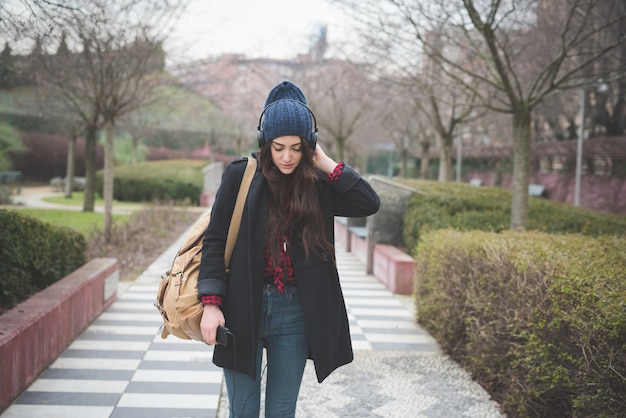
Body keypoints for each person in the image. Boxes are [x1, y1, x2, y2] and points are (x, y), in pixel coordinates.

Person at [197, 80, 380, 418]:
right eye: (278, 147)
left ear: (308, 146)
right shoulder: (240, 176)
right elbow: (215, 241)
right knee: (243, 411)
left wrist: (326, 163)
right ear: (265, 144)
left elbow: (368, 202)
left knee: (282, 411)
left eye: (297, 147)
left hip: (294, 312)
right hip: (242, 306)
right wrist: (211, 304)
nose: (286, 156)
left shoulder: (319, 184)